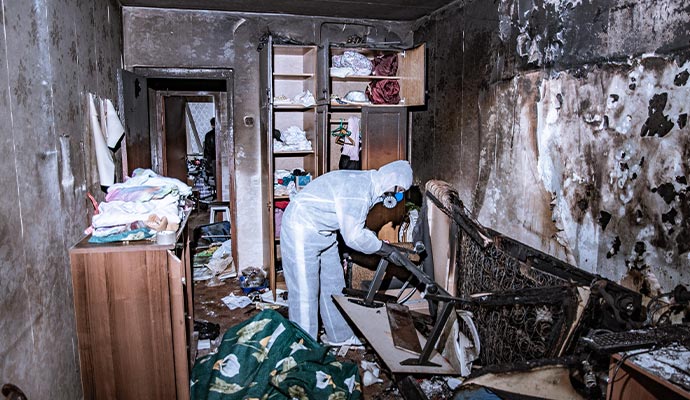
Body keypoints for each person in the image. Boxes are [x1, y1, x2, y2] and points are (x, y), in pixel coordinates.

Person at [280, 160, 413, 345]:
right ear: (392, 179)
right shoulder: (360, 190)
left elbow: (353, 221)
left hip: (324, 231)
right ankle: (304, 345)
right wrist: (384, 249)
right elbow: (353, 237)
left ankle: (339, 335)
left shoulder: (372, 184)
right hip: (301, 228)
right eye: (399, 190)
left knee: (333, 284)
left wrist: (378, 243)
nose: (398, 196)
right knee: (305, 291)